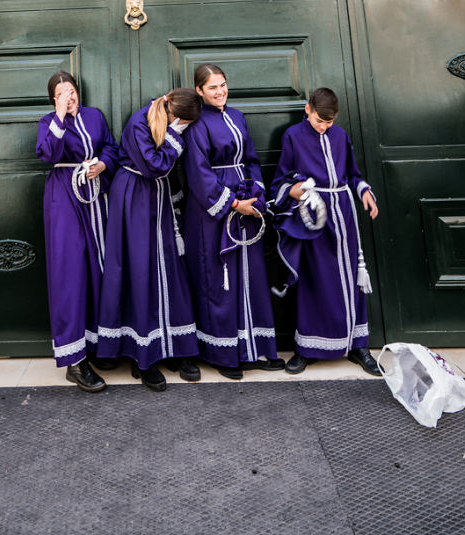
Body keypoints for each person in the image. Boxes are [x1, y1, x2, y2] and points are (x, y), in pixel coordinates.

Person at [268, 86, 380, 376]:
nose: (324, 126)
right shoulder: (293, 136)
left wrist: (364, 191)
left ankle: (358, 346)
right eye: (319, 120)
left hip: (344, 214)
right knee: (315, 279)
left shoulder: (341, 136)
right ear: (308, 109)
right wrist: (296, 191)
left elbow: (352, 174)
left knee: (351, 278)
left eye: (328, 122)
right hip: (314, 215)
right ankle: (307, 349)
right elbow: (281, 180)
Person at [182, 63, 284, 379]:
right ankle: (224, 355)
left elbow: (250, 158)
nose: (220, 91)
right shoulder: (196, 123)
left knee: (250, 277)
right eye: (213, 87)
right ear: (199, 90)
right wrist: (233, 204)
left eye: (223, 84)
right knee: (220, 280)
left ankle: (255, 348)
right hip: (213, 213)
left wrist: (256, 195)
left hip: (246, 203)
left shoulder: (238, 116)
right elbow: (198, 175)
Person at [97, 88, 203, 391]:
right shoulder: (139, 123)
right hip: (133, 197)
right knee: (140, 270)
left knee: (169, 268)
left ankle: (174, 344)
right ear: (176, 114)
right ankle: (143, 356)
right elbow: (155, 165)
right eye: (182, 122)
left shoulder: (163, 120)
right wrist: (174, 136)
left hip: (159, 198)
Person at [35, 70, 119, 392]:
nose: (69, 96)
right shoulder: (48, 123)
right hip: (63, 199)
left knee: (97, 268)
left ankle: (98, 344)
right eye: (61, 93)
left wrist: (103, 164)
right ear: (53, 99)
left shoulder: (94, 116)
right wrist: (59, 116)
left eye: (71, 90)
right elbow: (48, 153)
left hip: (95, 197)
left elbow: (111, 147)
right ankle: (74, 361)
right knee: (69, 272)